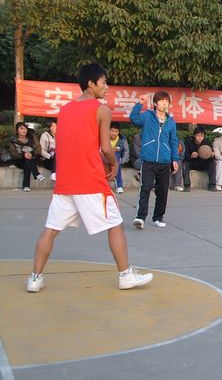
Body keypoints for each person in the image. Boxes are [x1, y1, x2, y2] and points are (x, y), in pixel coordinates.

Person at [26, 63, 152, 293]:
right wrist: (114, 163)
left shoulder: (65, 109)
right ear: (91, 84)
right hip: (90, 180)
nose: (107, 87)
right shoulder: (101, 110)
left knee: (50, 229)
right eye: (104, 82)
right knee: (115, 224)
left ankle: (35, 278)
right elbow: (106, 147)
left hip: (65, 182)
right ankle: (125, 275)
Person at [129, 91, 179, 229]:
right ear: (155, 103)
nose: (164, 103)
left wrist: (175, 159)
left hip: (165, 161)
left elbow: (173, 141)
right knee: (145, 188)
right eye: (161, 101)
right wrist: (139, 104)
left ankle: (158, 218)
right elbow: (134, 119)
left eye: (167, 101)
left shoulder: (171, 122)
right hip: (148, 160)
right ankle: (140, 218)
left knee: (162, 191)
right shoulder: (147, 116)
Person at [10, 122, 45, 192]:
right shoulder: (13, 140)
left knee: (27, 162)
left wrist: (32, 153)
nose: (24, 130)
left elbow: (39, 148)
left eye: (25, 128)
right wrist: (23, 155)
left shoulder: (32, 137)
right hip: (19, 160)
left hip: (32, 158)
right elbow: (13, 153)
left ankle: (26, 186)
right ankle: (37, 174)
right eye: (21, 128)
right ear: (17, 130)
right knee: (27, 161)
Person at [182, 126, 216, 192]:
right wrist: (191, 155)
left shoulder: (207, 142)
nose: (200, 138)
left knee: (212, 163)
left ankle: (212, 185)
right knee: (185, 164)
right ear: (194, 135)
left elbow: (212, 154)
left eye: (202, 136)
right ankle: (187, 185)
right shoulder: (188, 142)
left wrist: (212, 155)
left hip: (203, 162)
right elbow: (184, 155)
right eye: (198, 135)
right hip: (192, 162)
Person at [108, 122, 130, 194]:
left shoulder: (122, 139)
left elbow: (126, 151)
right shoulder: (105, 138)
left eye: (116, 131)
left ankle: (119, 186)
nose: (114, 133)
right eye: (112, 131)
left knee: (117, 156)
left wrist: (123, 160)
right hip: (106, 158)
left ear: (119, 132)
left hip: (117, 159)